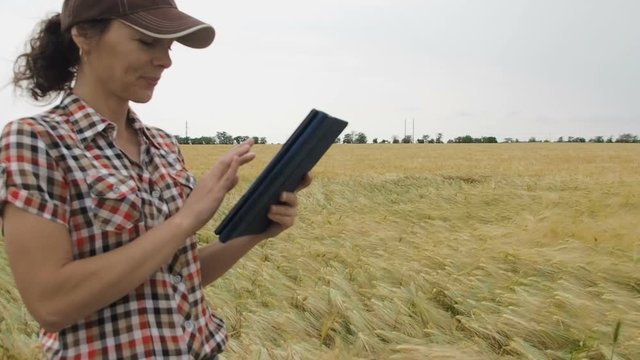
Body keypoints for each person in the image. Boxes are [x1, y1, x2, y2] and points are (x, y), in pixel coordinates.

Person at [0, 0, 311, 358]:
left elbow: (175, 276)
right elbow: (51, 304)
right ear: (84, 35)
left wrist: (257, 231)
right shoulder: (36, 141)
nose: (165, 60)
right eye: (147, 42)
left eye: (169, 46)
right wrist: (184, 220)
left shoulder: (162, 145)